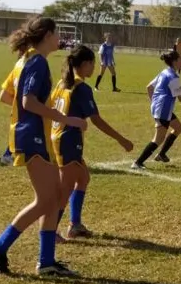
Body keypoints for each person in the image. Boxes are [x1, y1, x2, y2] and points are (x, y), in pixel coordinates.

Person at [0, 17, 87, 276]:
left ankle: (46, 261)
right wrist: (66, 119)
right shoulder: (37, 62)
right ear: (47, 34)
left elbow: (5, 96)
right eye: (57, 33)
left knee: (55, 198)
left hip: (33, 136)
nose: (60, 38)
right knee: (46, 200)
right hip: (33, 137)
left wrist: (26, 114)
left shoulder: (25, 59)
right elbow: (28, 101)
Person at [52, 46, 134, 239]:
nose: (93, 68)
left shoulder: (61, 83)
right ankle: (51, 231)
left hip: (58, 138)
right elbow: (96, 120)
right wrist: (121, 139)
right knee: (65, 189)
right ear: (85, 64)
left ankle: (75, 225)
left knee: (83, 178)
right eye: (92, 64)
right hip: (68, 140)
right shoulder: (81, 88)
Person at [131, 50, 181, 169]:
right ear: (175, 62)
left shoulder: (164, 72)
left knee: (178, 128)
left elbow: (149, 87)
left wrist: (154, 103)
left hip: (159, 107)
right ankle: (138, 162)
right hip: (163, 109)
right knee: (158, 139)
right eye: (180, 59)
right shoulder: (173, 77)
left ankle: (162, 154)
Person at [0, 44, 30, 165]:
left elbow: (3, 96)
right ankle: (8, 155)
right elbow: (3, 96)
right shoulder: (26, 71)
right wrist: (22, 106)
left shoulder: (17, 68)